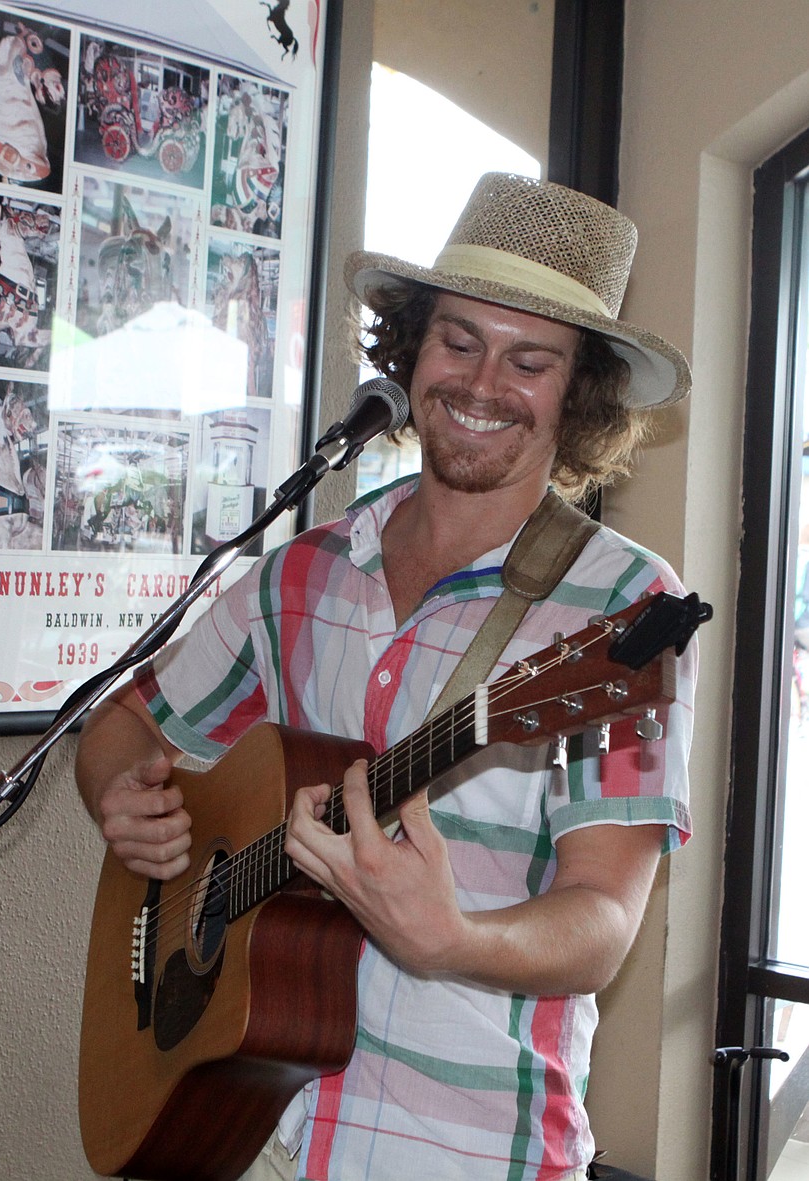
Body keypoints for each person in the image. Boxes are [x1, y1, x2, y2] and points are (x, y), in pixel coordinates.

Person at [75, 174, 697, 1181]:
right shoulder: (301, 569)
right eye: (458, 340)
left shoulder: (620, 612)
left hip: (463, 1147)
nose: (482, 381)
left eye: (528, 359)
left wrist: (450, 937)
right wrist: (118, 788)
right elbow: (126, 723)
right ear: (410, 350)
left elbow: (600, 920)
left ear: (574, 394)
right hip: (253, 1129)